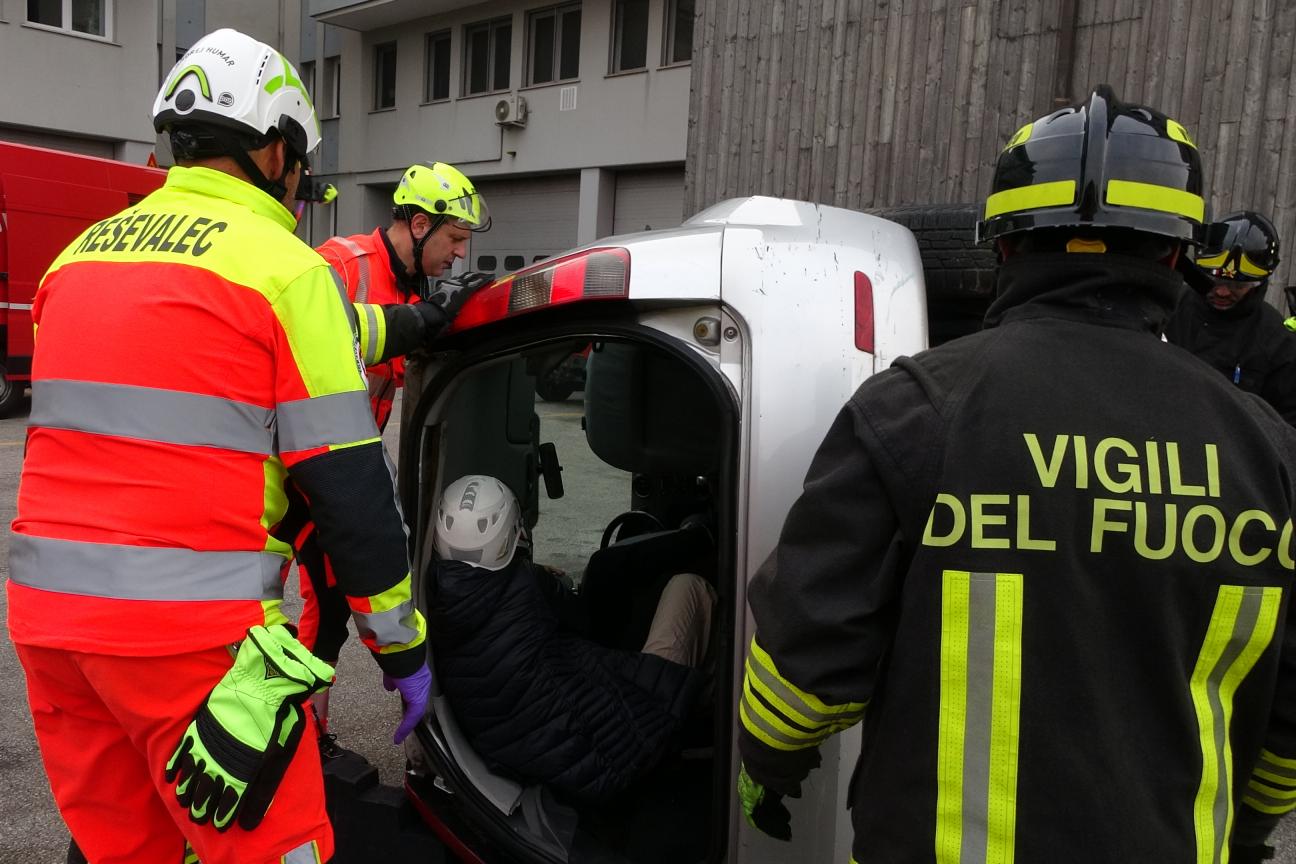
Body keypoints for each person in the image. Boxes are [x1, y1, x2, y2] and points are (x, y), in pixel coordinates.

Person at [734, 85, 1296, 864]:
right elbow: (1287, 712)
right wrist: (1251, 825)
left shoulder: (914, 411)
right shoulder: (1268, 452)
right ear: (1176, 256)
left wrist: (769, 759)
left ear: (1002, 247)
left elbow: (809, 653)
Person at [7, 28, 431, 864]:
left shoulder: (73, 261)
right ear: (274, 152)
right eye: (299, 160)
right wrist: (402, 645)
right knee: (279, 850)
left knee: (129, 851)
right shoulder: (287, 271)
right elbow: (350, 493)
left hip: (52, 631)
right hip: (193, 642)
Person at [284, 164, 492, 739]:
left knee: (328, 612)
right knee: (276, 607)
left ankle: (310, 735)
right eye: (454, 238)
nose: (459, 253)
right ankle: (287, 737)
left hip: (338, 467)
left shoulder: (414, 287)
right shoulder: (341, 265)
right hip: (295, 468)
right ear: (420, 225)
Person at [429, 475, 714, 801]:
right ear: (511, 536)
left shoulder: (433, 600)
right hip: (617, 758)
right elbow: (585, 623)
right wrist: (544, 580)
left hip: (542, 750)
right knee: (690, 587)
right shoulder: (530, 585)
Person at [1163, 210, 1296, 423]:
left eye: (1237, 286)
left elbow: (1288, 422)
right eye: (1215, 281)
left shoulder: (1278, 341)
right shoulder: (1168, 307)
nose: (1223, 292)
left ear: (1258, 284)